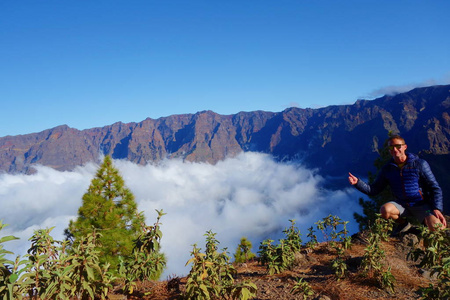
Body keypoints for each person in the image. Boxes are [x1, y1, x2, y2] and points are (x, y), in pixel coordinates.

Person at [348, 135, 447, 234]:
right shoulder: (387, 169)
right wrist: (357, 183)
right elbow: (374, 190)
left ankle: (426, 223)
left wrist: (437, 208)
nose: (395, 149)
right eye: (391, 147)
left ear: (405, 147)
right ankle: (403, 224)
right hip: (401, 204)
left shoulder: (419, 164)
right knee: (385, 210)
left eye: (398, 146)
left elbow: (435, 188)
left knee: (438, 230)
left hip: (421, 205)